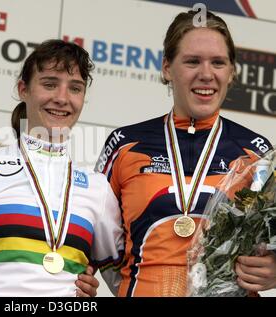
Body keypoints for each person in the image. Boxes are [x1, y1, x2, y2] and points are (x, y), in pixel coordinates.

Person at [95, 9, 276, 297]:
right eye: (192, 61)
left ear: (231, 72)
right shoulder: (124, 145)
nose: (206, 74)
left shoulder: (258, 154)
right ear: (167, 67)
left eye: (218, 62)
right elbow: (98, 242)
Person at [0, 39, 124, 297]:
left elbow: (126, 283)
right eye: (50, 84)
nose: (62, 98)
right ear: (23, 89)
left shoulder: (97, 188)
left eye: (75, 88)